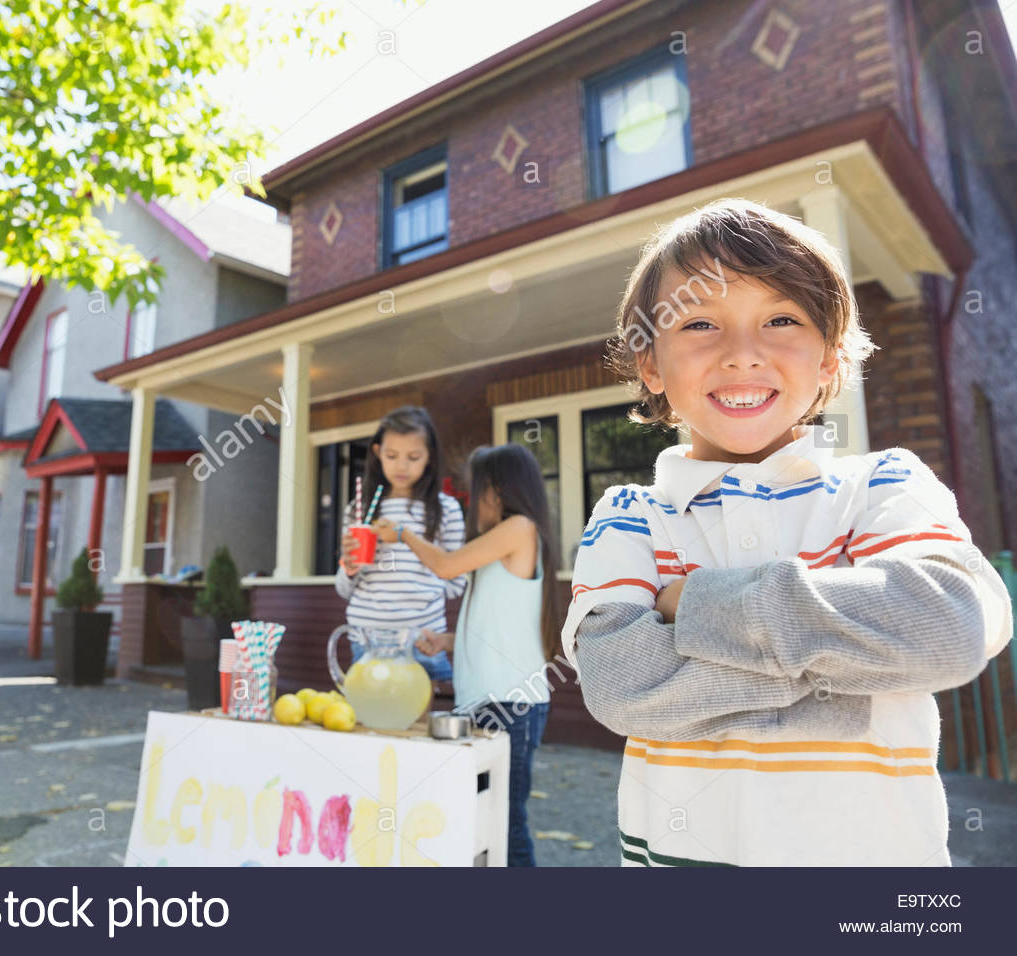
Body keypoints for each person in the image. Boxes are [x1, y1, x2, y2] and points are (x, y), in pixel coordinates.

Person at [562, 197, 1013, 867]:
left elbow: (949, 629)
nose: (742, 355)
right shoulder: (630, 514)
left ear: (830, 359)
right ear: (651, 366)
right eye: (699, 324)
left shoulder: (884, 485)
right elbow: (623, 686)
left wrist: (697, 603)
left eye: (780, 319)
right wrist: (854, 671)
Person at [375, 443, 562, 866]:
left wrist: (403, 533)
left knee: (505, 821)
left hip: (511, 704)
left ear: (497, 490)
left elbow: (444, 566)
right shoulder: (504, 543)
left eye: (475, 492)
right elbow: (498, 626)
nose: (471, 502)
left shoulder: (521, 528)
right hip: (484, 701)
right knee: (479, 819)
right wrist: (447, 641)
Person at [336, 406, 466, 682]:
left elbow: (457, 583)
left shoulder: (446, 509)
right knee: (372, 721)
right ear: (377, 453)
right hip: (366, 639)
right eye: (392, 456)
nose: (401, 466)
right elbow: (344, 589)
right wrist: (349, 567)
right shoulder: (359, 511)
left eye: (414, 457)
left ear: (429, 457)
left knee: (416, 723)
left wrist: (419, 585)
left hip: (422, 640)